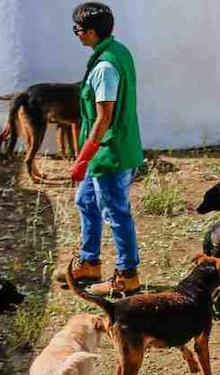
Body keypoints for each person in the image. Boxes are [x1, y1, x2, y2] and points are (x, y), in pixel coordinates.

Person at [54, 2, 143, 295]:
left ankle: (127, 275)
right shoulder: (117, 51)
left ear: (90, 32)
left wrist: (82, 159)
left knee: (116, 212)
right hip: (107, 150)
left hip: (109, 153)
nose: (76, 35)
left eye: (77, 30)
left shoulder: (105, 67)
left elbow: (103, 118)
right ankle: (89, 262)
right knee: (86, 201)